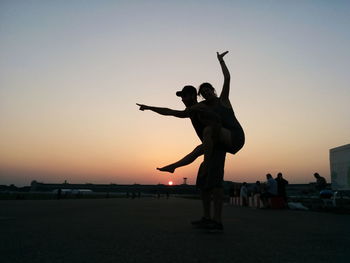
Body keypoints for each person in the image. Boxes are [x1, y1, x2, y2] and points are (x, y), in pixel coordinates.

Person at [137, 51, 245, 231]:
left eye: (208, 90)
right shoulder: (198, 108)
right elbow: (172, 112)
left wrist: (221, 61)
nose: (206, 93)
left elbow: (227, 78)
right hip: (215, 144)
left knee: (209, 134)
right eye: (203, 92)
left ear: (212, 91)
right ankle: (205, 215)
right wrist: (149, 107)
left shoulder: (222, 100)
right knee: (203, 180)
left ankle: (217, 221)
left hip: (234, 137)